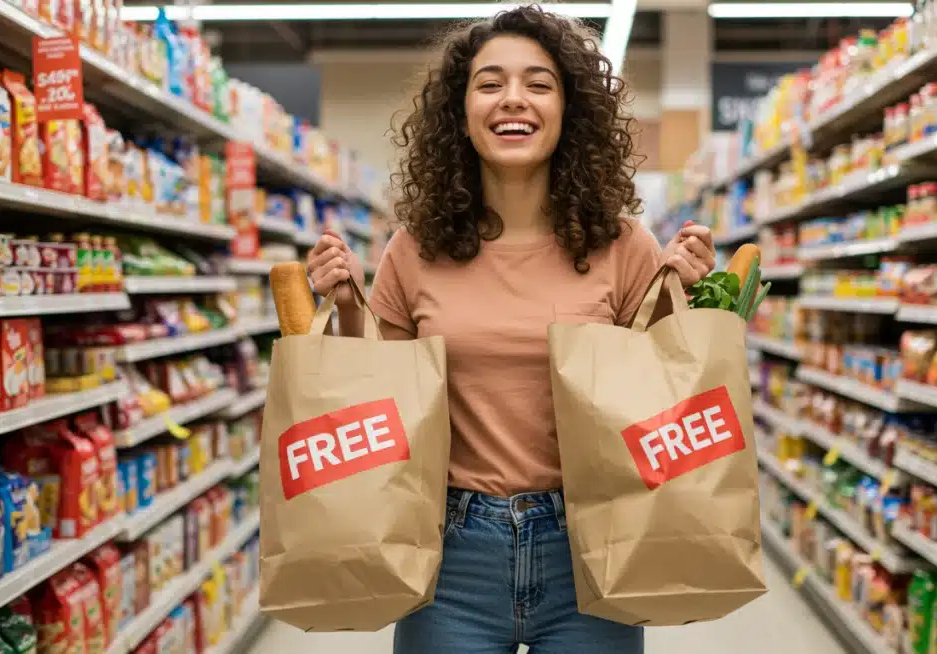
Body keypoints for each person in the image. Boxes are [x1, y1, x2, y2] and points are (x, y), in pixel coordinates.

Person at [305, 6, 715, 653]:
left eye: (538, 83)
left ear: (568, 108)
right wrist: (345, 304)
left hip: (592, 546)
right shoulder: (416, 248)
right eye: (489, 83)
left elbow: (659, 395)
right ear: (460, 112)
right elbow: (373, 399)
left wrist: (684, 296)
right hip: (451, 553)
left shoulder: (624, 244)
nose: (512, 100)